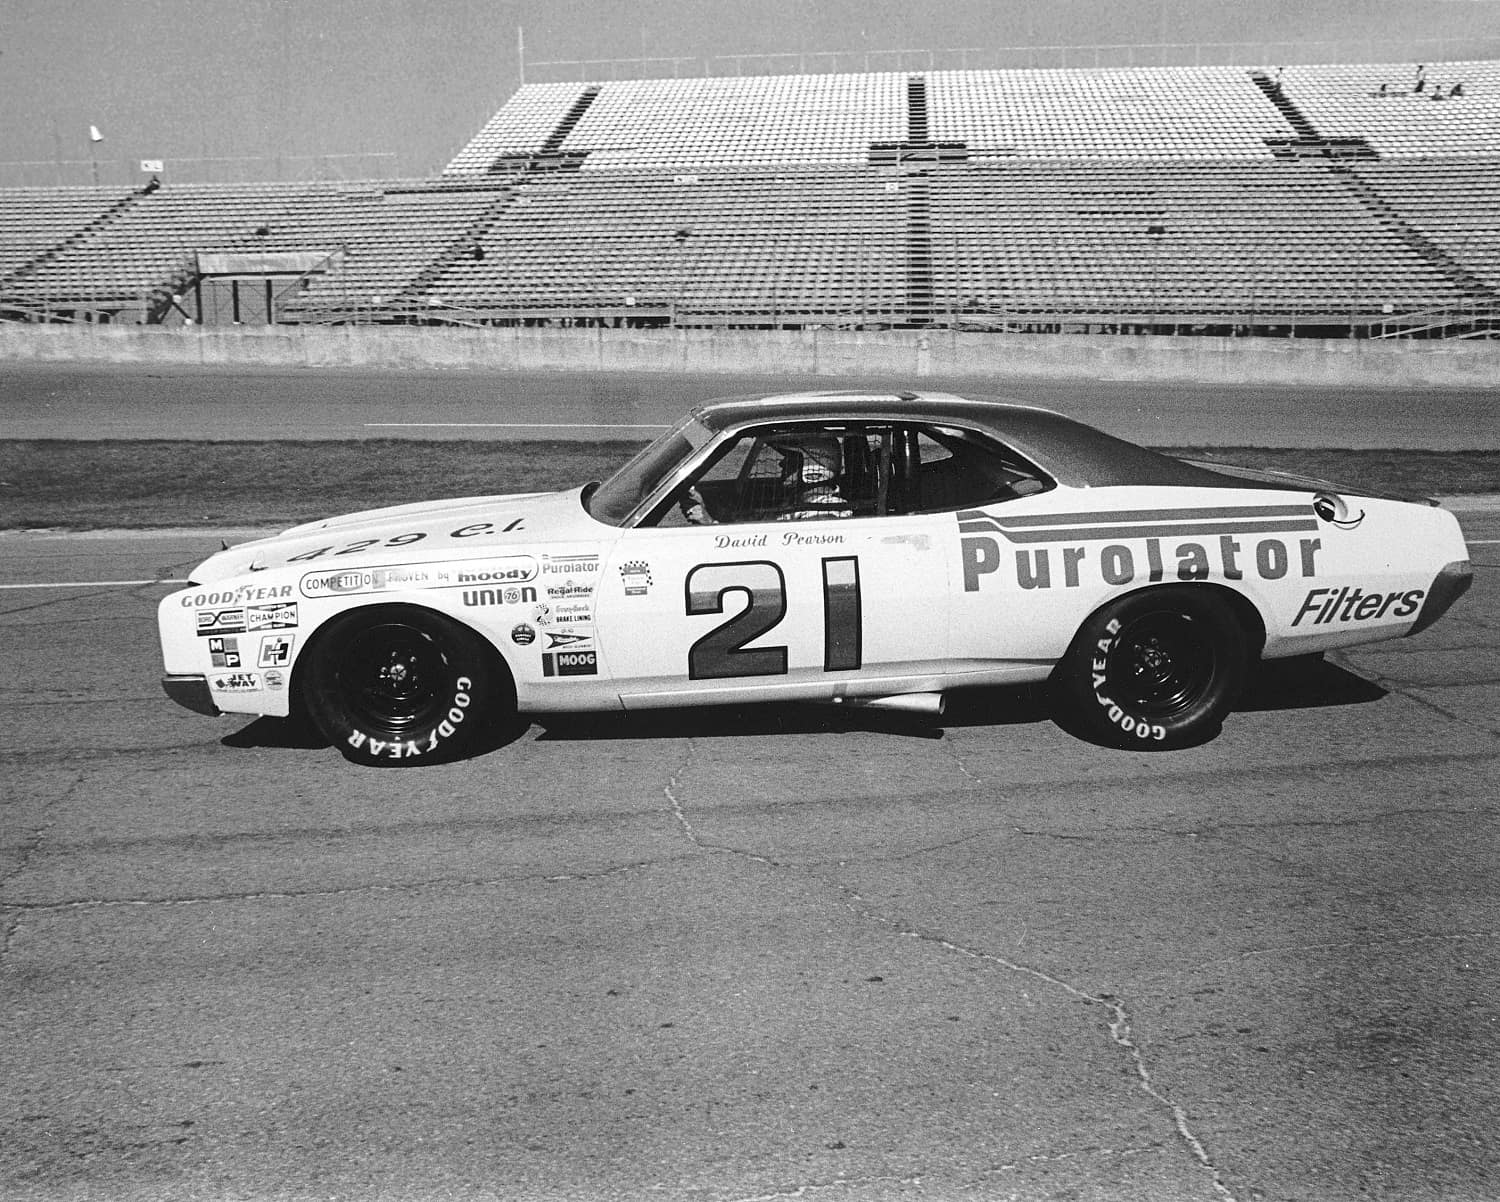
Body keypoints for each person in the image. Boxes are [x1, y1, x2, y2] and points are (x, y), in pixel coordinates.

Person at [772, 434, 852, 521]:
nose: (782, 463)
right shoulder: (794, 503)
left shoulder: (828, 509)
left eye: (792, 459)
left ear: (815, 467)